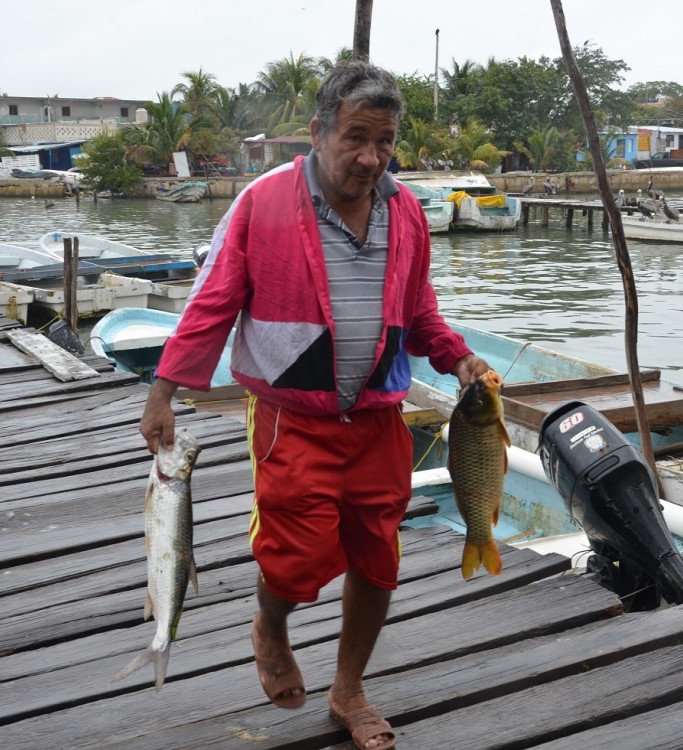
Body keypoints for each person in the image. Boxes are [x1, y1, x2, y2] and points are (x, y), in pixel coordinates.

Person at [139, 60, 487, 750]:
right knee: (295, 558)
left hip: (379, 418)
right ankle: (270, 623)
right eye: (356, 137)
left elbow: (420, 313)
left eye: (384, 142)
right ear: (318, 130)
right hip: (291, 417)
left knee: (377, 557)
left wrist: (457, 357)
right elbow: (211, 304)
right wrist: (164, 389)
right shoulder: (263, 202)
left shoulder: (407, 210)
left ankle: (349, 688)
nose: (369, 157)